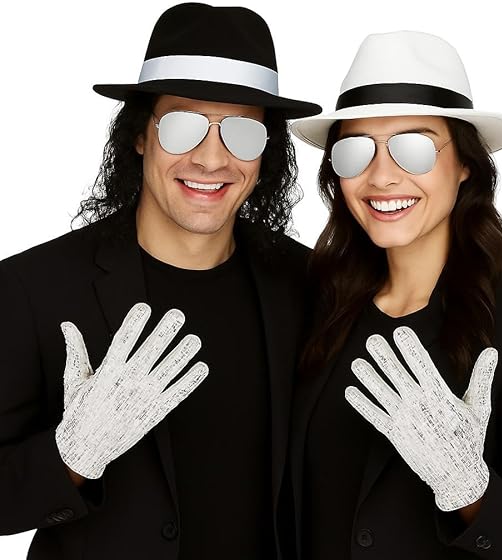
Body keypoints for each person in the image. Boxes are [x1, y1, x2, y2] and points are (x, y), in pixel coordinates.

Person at [0, 3, 320, 560]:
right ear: (140, 136)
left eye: (243, 133)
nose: (212, 158)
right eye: (182, 126)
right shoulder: (32, 289)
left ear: (266, 151)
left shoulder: (311, 285)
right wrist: (72, 457)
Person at [290, 31, 502, 559]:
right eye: (355, 150)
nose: (380, 176)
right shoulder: (320, 308)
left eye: (414, 148)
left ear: (465, 164)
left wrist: (467, 487)